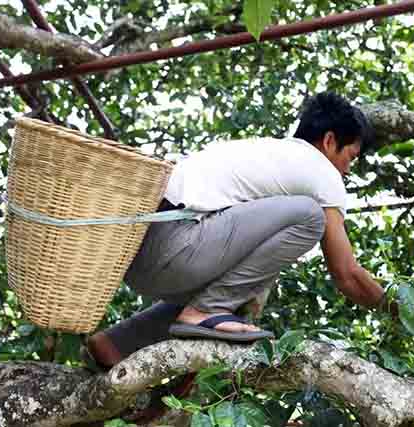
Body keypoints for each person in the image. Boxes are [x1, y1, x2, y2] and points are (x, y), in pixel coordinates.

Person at [85, 92, 393, 369]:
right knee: (310, 217)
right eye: (350, 157)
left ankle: (117, 342)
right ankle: (207, 309)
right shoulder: (321, 171)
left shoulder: (268, 153)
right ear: (329, 141)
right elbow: (346, 274)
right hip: (175, 246)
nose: (347, 169)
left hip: (137, 256)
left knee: (244, 293)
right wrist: (395, 309)